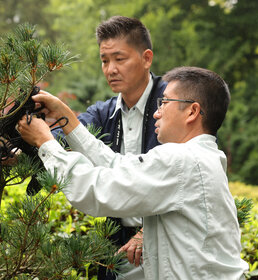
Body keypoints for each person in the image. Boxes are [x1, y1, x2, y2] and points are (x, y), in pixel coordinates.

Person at [18, 66, 249, 280]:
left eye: (164, 103)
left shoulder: (181, 161)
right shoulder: (201, 157)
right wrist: (65, 117)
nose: (156, 113)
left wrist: (45, 142)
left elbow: (97, 190)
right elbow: (116, 166)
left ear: (192, 111)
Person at [52, 16, 167, 280]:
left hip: (166, 236)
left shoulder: (172, 103)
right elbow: (65, 132)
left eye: (119, 58)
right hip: (118, 243)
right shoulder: (104, 112)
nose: (110, 69)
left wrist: (147, 232)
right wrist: (22, 148)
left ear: (146, 58)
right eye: (104, 60)